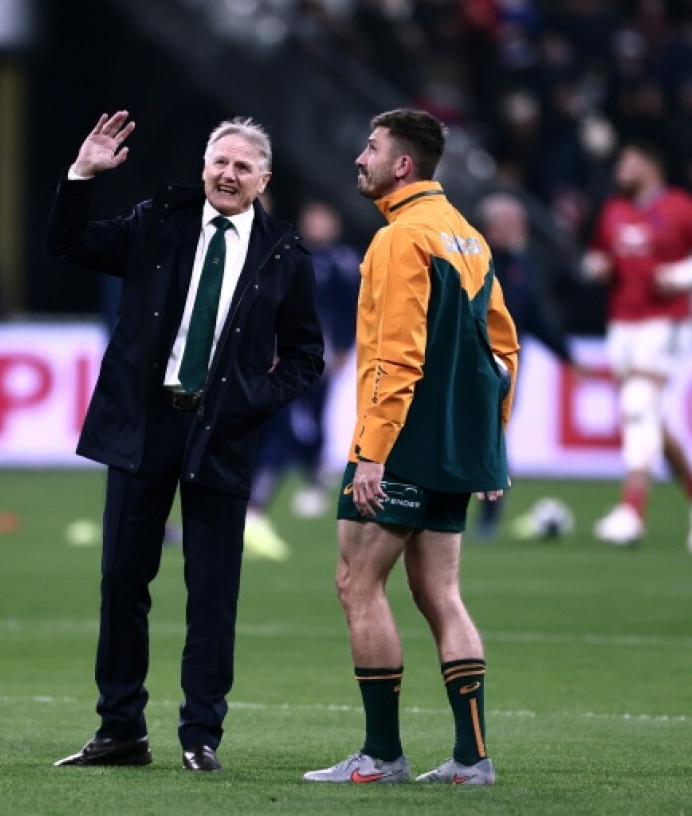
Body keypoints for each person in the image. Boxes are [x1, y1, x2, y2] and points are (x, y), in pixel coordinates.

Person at [47, 111, 324, 773]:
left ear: (264, 180)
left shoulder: (284, 254)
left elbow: (306, 355)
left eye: (242, 166)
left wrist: (246, 402)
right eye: (219, 162)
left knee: (212, 590)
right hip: (146, 425)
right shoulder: (158, 222)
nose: (227, 174)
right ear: (204, 167)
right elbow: (70, 244)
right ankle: (120, 731)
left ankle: (200, 735)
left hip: (220, 432)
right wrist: (81, 175)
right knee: (121, 579)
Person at [301, 109, 519, 787]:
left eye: (370, 148)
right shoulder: (468, 237)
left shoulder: (401, 241)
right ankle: (471, 758)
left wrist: (372, 453)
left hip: (401, 443)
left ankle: (382, 754)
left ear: (403, 165)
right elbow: (504, 348)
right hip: (455, 446)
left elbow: (396, 359)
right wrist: (490, 439)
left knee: (357, 582)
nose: (359, 158)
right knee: (440, 593)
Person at [583, 142, 692, 554]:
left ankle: (631, 512)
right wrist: (598, 267)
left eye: (627, 162)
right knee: (648, 418)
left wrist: (688, 272)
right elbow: (599, 255)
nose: (620, 169)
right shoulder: (614, 209)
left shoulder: (681, 207)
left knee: (637, 406)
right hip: (622, 324)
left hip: (666, 322)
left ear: (650, 167)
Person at [244, 200, 362, 559]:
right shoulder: (287, 252)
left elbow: (348, 307)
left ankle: (261, 505)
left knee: (300, 425)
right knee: (286, 429)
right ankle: (254, 507)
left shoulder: (339, 260)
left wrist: (341, 347)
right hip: (275, 358)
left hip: (309, 359)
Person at [473, 192, 583, 539]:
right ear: (492, 227)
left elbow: (536, 317)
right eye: (512, 223)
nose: (520, 229)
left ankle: (488, 517)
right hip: (466, 363)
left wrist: (567, 357)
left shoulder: (521, 267)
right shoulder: (473, 262)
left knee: (491, 441)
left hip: (503, 369)